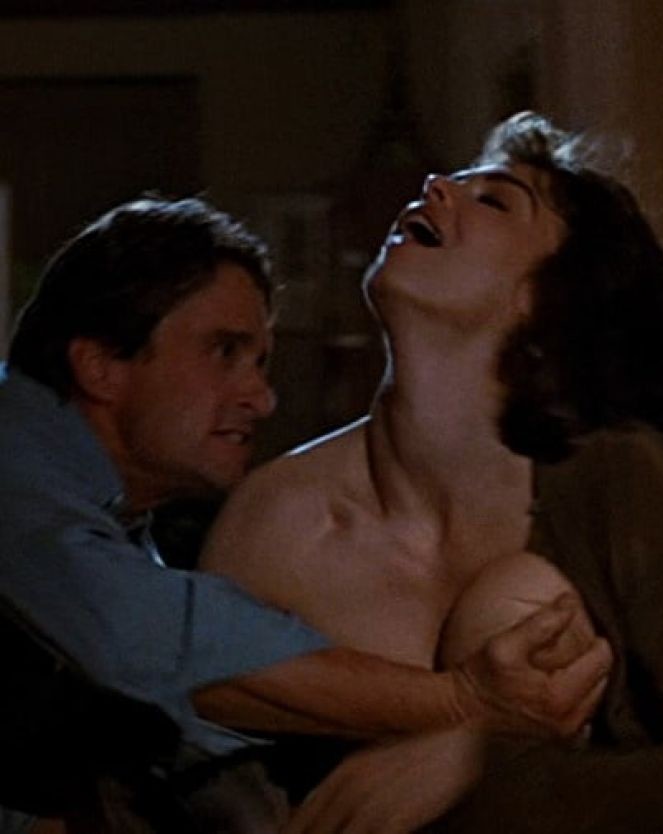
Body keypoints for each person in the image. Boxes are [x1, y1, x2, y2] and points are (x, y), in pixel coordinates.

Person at [201, 111, 663, 833]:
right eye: (454, 181)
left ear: (543, 297)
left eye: (495, 201)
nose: (434, 185)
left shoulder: (631, 484)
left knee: (515, 598)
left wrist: (479, 763)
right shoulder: (277, 517)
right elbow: (189, 751)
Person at [0, 195, 611, 833]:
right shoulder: (13, 465)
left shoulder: (121, 524)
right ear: (101, 365)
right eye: (224, 351)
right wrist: (465, 703)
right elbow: (142, 637)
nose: (262, 399)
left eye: (260, 363)